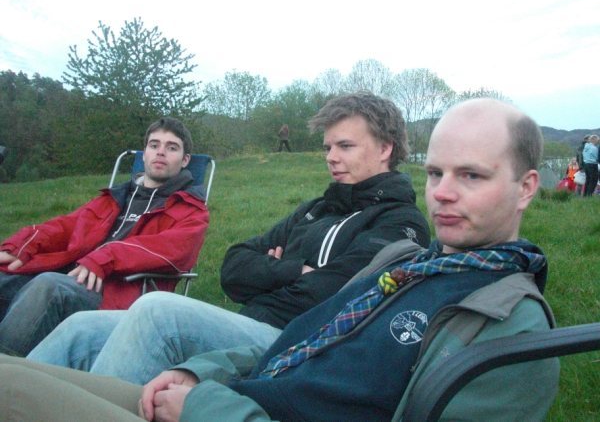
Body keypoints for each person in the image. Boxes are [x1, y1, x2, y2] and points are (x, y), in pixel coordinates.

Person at [0, 98, 559, 421]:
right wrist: (204, 371)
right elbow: (238, 271)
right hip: (241, 382)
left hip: (229, 404)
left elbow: (313, 305)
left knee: (151, 315)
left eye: (471, 176)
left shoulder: (494, 315)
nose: (442, 192)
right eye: (435, 173)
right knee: (53, 345)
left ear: (527, 187)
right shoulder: (404, 262)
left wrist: (207, 401)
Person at [27, 91, 431, 384]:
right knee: (82, 328)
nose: (331, 157)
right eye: (328, 146)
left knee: (158, 313)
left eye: (345, 146)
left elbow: (333, 297)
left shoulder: (399, 222)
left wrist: (269, 272)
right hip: (248, 323)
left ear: (385, 149)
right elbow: (233, 267)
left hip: (293, 344)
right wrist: (293, 270)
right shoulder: (317, 208)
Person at [0, 118, 209, 356]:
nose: (161, 152)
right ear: (144, 154)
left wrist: (105, 257)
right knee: (5, 276)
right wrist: (21, 245)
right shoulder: (116, 197)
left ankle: (8, 370)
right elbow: (66, 226)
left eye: (172, 148)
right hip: (73, 275)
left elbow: (174, 250)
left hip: (119, 291)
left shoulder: (190, 210)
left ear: (185, 160)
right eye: (154, 145)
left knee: (48, 286)